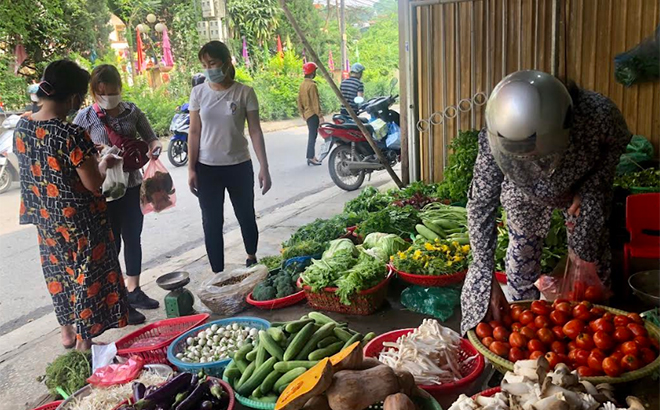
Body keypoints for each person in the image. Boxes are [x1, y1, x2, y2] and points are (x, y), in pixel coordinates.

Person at [460, 70, 631, 335]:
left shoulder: (597, 114)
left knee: (589, 256)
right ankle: (522, 321)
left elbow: (618, 142)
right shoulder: (497, 131)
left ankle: (591, 324)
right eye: (520, 153)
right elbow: (481, 203)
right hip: (522, 193)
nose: (533, 160)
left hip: (578, 187)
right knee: (522, 253)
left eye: (537, 151)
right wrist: (484, 272)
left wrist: (592, 185)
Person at [14, 60, 131, 350]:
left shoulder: (23, 125)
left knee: (59, 276)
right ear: (74, 98)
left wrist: (90, 155)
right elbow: (93, 183)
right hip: (80, 222)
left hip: (46, 219)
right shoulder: (70, 134)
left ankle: (67, 332)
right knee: (85, 278)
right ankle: (84, 343)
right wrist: (103, 161)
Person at [74, 65, 162, 321]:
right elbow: (76, 153)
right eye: (101, 93)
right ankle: (118, 297)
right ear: (94, 92)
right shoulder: (85, 117)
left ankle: (134, 289)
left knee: (134, 237)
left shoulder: (132, 112)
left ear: (119, 89)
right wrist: (98, 153)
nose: (107, 97)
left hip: (133, 185)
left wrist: (154, 150)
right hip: (104, 190)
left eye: (112, 92)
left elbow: (152, 138)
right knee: (112, 244)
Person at [187, 41, 272, 273]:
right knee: (212, 222)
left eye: (212, 63)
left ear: (226, 63)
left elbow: (255, 130)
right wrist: (191, 168)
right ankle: (218, 272)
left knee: (246, 215)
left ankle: (251, 257)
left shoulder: (245, 93)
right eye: (204, 64)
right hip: (207, 168)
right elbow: (194, 132)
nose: (208, 69)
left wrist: (264, 166)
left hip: (239, 165)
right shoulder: (198, 93)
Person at [297, 62, 325, 166]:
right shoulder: (312, 85)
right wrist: (320, 116)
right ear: (312, 73)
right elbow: (315, 102)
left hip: (307, 114)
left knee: (312, 135)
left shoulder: (302, 85)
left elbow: (299, 100)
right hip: (313, 114)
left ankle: (311, 156)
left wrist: (302, 113)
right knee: (312, 136)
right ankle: (311, 157)